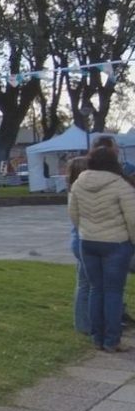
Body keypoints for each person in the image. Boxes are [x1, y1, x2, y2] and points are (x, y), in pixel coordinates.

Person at [69, 146, 135, 352]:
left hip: (88, 241)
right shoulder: (121, 185)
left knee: (96, 290)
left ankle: (97, 338)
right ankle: (112, 340)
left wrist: (85, 230)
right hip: (116, 242)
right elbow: (132, 218)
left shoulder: (79, 183)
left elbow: (73, 213)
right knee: (113, 292)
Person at [67, 156, 92, 335]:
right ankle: (83, 324)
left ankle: (85, 322)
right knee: (86, 285)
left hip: (79, 238)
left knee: (85, 283)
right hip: (83, 239)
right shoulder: (80, 192)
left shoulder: (74, 190)